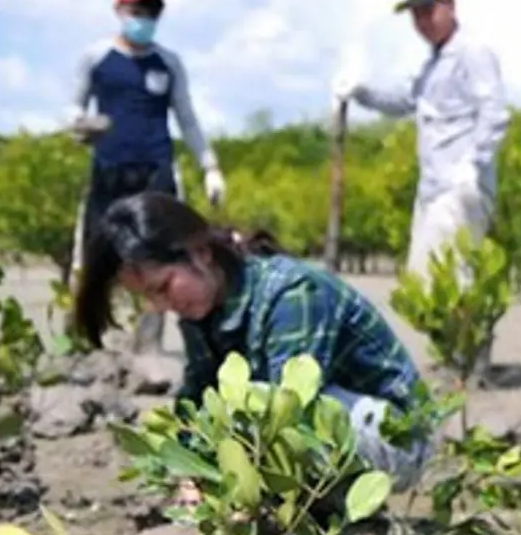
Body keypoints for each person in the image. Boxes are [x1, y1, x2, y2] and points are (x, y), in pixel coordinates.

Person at [72, 192, 432, 493]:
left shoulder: (292, 293)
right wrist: (187, 468)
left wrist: (220, 479)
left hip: (395, 438)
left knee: (281, 412)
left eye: (163, 287)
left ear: (201, 253)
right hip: (324, 436)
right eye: (148, 298)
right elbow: (197, 401)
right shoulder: (202, 312)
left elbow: (290, 412)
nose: (163, 306)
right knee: (223, 417)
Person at [69, 0, 227, 353]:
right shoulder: (97, 58)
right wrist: (81, 126)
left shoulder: (168, 63)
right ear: (120, 12)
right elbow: (73, 107)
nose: (143, 18)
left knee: (162, 258)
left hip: (156, 170)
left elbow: (187, 118)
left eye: (151, 12)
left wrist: (210, 166)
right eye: (137, 11)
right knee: (91, 257)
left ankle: (149, 348)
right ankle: (82, 341)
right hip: (109, 170)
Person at [332, 0, 510, 296]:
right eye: (416, 15)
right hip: (431, 189)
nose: (422, 22)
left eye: (429, 12)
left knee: (452, 285)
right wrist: (361, 92)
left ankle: (467, 348)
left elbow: (494, 111)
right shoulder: (432, 64)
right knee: (423, 285)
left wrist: (473, 164)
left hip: (459, 186)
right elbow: (403, 101)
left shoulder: (472, 51)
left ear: (450, 8)